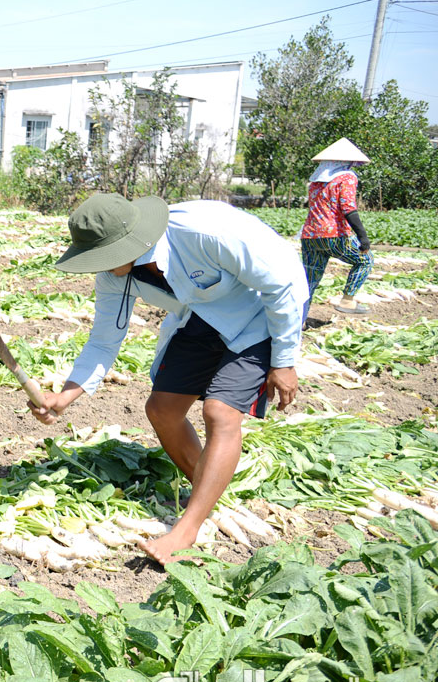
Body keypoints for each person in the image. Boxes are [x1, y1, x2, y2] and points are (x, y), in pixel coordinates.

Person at [27, 194, 308, 565]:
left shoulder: (203, 233)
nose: (101, 266)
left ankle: (186, 528)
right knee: (161, 409)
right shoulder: (115, 274)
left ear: (130, 242)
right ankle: (207, 494)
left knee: (220, 412)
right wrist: (66, 396)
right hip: (204, 314)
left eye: (104, 256)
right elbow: (103, 340)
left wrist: (284, 360)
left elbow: (282, 284)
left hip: (265, 310)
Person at [302, 138, 373, 316]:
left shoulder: (316, 181)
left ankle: (298, 320)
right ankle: (347, 301)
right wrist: (363, 237)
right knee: (365, 260)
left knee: (309, 281)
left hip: (310, 236)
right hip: (334, 235)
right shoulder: (347, 177)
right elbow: (348, 208)